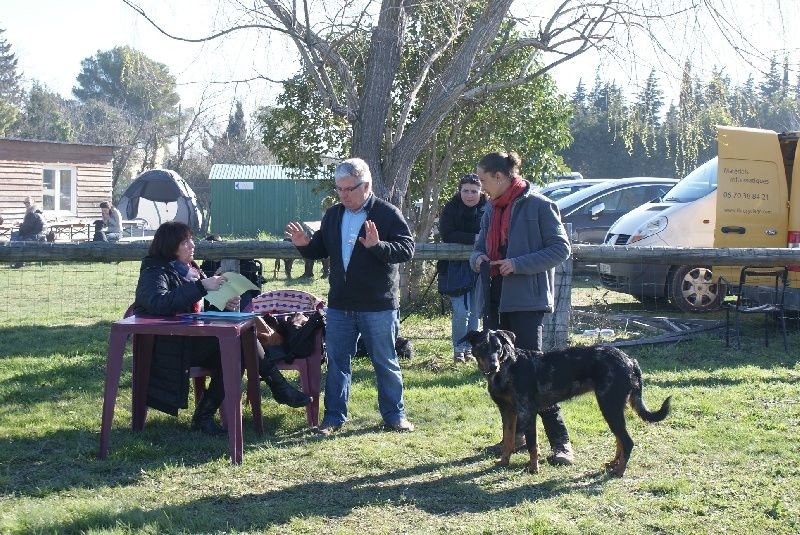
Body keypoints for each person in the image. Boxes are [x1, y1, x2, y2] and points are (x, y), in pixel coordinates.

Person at [132, 221, 311, 436]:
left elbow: (195, 306)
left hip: (190, 339)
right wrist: (201, 287)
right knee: (241, 346)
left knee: (241, 346)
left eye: (191, 240)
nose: (192, 245)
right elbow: (159, 303)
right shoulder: (155, 271)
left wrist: (223, 300)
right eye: (185, 242)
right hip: (168, 346)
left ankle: (206, 416)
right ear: (171, 246)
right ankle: (278, 389)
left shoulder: (190, 270)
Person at [286, 157, 415, 436]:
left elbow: (407, 249)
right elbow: (320, 248)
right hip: (340, 306)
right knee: (337, 364)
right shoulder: (333, 215)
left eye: (349, 189)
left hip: (377, 305)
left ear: (366, 185)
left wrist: (378, 246)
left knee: (385, 362)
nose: (343, 195)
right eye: (339, 189)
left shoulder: (387, 213)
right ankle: (333, 418)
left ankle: (395, 416)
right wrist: (304, 247)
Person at [469, 151, 574, 465]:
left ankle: (561, 445)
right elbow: (478, 247)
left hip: (527, 302)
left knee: (534, 379)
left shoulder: (540, 206)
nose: (482, 187)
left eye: (485, 180)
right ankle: (514, 440)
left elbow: (560, 249)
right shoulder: (490, 208)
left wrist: (517, 264)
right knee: (500, 378)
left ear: (500, 177)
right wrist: (477, 259)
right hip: (494, 299)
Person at [439, 173, 487, 363]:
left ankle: (471, 349)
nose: (469, 195)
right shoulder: (451, 208)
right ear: (459, 191)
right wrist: (475, 238)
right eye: (465, 191)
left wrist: (475, 238)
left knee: (475, 310)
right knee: (460, 309)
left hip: (481, 264)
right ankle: (459, 348)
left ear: (480, 191)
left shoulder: (488, 208)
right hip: (454, 266)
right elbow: (447, 234)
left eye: (473, 191)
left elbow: (490, 232)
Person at [199, 234, 264, 312]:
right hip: (216, 297)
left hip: (242, 293)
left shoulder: (239, 256)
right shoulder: (207, 264)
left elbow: (251, 275)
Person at [10, 197, 47, 268]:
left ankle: (17, 262)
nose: (26, 204)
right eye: (25, 203)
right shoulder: (39, 212)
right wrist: (21, 225)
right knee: (16, 236)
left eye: (28, 202)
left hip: (35, 237)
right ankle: (17, 261)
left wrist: (20, 225)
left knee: (15, 239)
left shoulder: (31, 213)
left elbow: (25, 229)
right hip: (41, 236)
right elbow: (30, 226)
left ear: (33, 203)